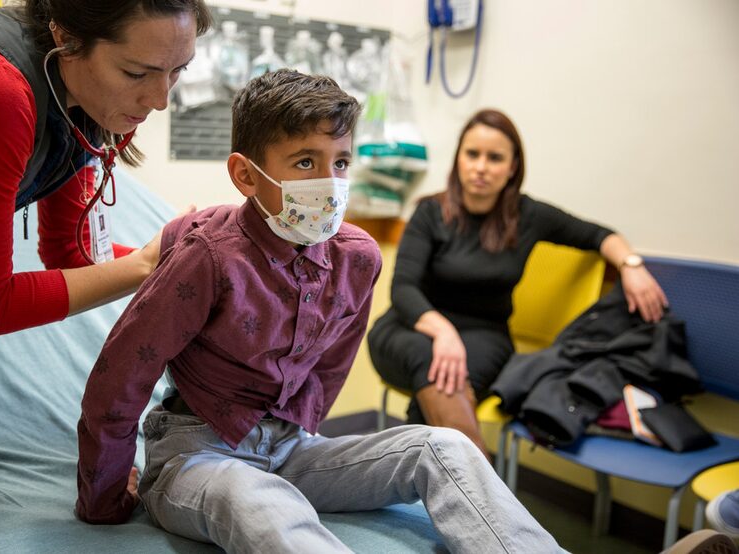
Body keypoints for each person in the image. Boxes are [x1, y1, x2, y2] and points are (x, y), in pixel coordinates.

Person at [75, 70, 561, 553]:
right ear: (246, 175)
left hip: (289, 449)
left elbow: (327, 368)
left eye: (342, 161)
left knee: (444, 447)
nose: (330, 183)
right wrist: (106, 499)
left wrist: (294, 436)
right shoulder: (209, 256)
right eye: (306, 162)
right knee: (259, 500)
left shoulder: (357, 258)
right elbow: (121, 376)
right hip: (198, 454)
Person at [0, 1, 211, 550]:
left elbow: (75, 253)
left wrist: (179, 256)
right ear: (67, 36)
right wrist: (148, 263)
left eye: (178, 71)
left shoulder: (81, 96)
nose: (160, 100)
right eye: (137, 73)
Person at [367, 108, 668, 457]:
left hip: (484, 337)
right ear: (458, 159)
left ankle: (442, 487)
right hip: (411, 327)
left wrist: (631, 265)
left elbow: (598, 235)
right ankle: (482, 495)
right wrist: (443, 332)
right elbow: (403, 288)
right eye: (472, 154)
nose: (481, 167)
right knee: (430, 358)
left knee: (441, 385)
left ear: (512, 167)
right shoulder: (429, 212)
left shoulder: (529, 216)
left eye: (494, 158)